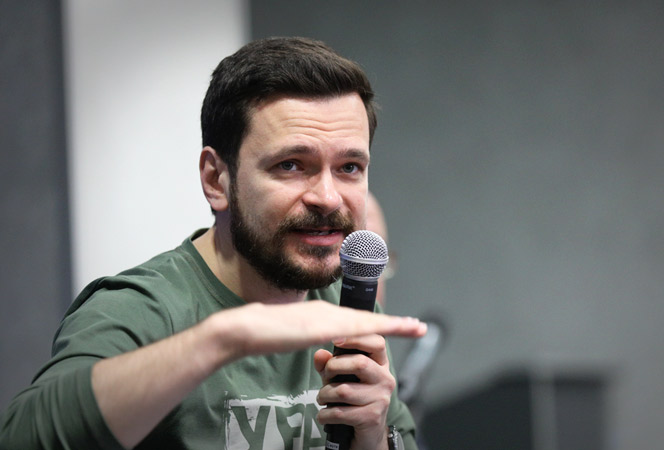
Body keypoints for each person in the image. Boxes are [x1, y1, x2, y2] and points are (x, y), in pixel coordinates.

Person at [0, 37, 426, 450]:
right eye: (291, 165)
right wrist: (221, 340)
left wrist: (372, 439)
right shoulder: (140, 311)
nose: (328, 197)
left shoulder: (347, 306)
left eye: (349, 167)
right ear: (216, 180)